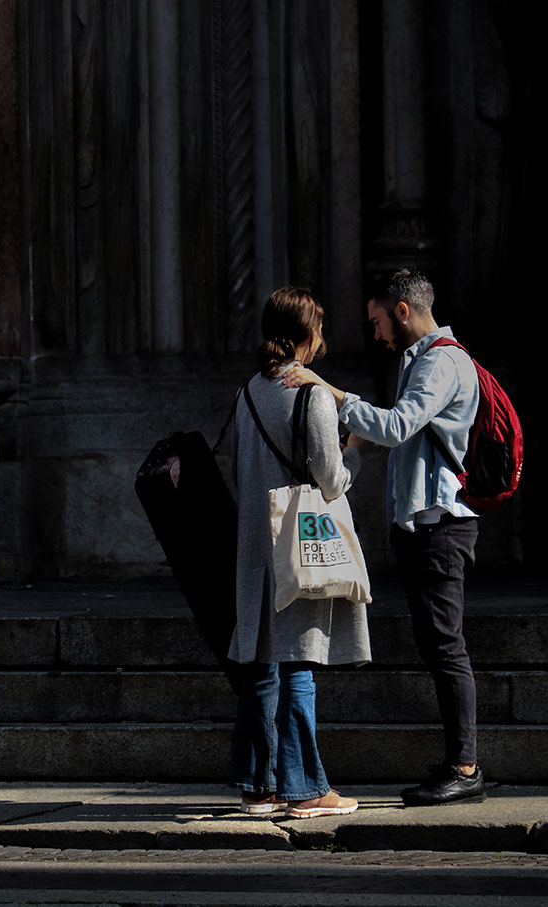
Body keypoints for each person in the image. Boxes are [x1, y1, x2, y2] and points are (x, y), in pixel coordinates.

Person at [282, 269, 485, 807]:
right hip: (424, 524)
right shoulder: (421, 360)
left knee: (446, 646)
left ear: (401, 311)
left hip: (442, 525)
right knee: (439, 644)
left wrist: (328, 390)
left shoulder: (442, 360)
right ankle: (458, 761)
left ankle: (465, 766)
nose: (375, 334)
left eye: (376, 322)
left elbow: (398, 426)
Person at [229, 286, 370, 818]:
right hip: (300, 545)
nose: (323, 343)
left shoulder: (246, 393)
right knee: (301, 663)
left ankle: (257, 785)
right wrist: (354, 454)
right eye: (319, 331)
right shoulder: (309, 395)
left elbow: (241, 470)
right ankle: (305, 787)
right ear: (305, 335)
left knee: (262, 663)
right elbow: (330, 481)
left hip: (255, 545)